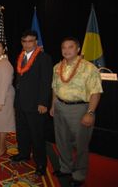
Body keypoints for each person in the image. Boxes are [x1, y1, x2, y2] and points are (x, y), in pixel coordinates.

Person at [50, 37, 103, 187]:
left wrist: (90, 112)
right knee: (62, 140)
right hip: (60, 107)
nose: (66, 50)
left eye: (70, 47)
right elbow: (54, 87)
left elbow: (96, 92)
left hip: (79, 109)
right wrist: (53, 104)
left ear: (78, 49)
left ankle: (79, 175)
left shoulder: (89, 68)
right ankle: (65, 168)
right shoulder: (57, 67)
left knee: (80, 145)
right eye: (63, 48)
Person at [11, 30, 52, 176]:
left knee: (37, 135)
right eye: (24, 41)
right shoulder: (20, 56)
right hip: (21, 102)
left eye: (30, 41)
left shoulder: (43, 58)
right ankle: (24, 153)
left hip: (36, 104)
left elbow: (46, 82)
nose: (27, 44)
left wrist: (43, 102)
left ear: (36, 42)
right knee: (22, 131)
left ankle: (41, 164)